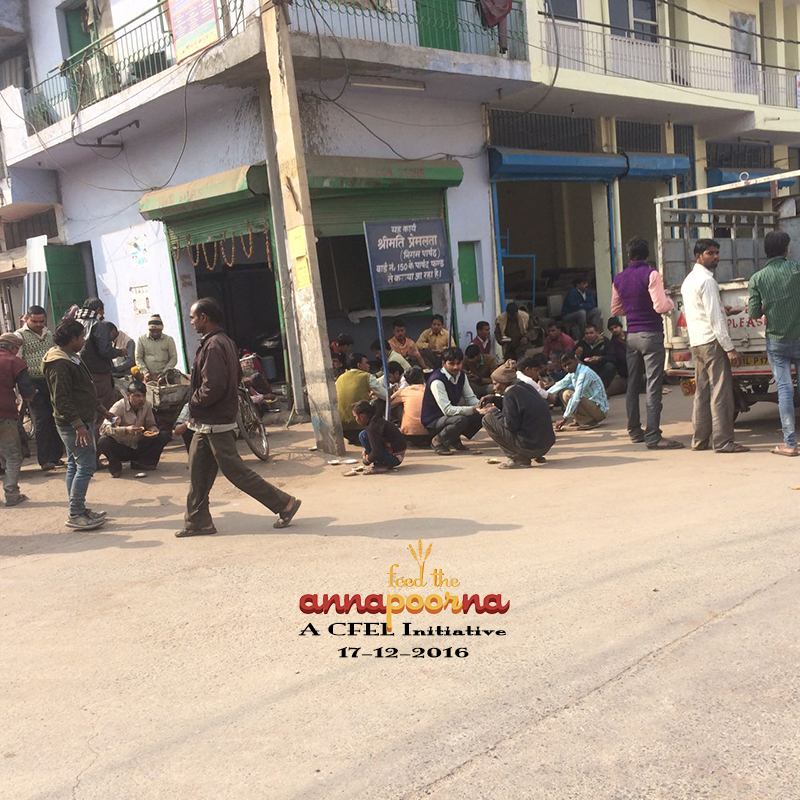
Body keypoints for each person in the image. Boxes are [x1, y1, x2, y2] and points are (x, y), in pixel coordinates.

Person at [178, 298, 301, 537]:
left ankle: (284, 503)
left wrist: (193, 403)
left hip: (215, 421)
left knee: (236, 472)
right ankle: (198, 521)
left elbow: (213, 386)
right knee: (198, 472)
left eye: (193, 317)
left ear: (204, 318)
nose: (191, 322)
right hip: (207, 422)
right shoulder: (222, 342)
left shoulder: (214, 346)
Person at [612, 237, 683, 450]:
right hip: (651, 334)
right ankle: (653, 436)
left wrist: (632, 310)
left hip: (631, 336)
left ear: (629, 256)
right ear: (647, 255)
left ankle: (634, 431)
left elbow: (616, 309)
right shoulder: (651, 274)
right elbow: (660, 306)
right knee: (653, 386)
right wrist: (671, 303)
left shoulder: (619, 278)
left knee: (632, 384)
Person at [43, 320, 112, 531]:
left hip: (80, 421)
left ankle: (78, 508)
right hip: (73, 425)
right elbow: (61, 399)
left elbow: (84, 390)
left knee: (74, 465)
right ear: (72, 338)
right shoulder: (59, 364)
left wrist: (102, 411)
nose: (83, 341)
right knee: (87, 466)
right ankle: (76, 513)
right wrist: (78, 425)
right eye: (81, 337)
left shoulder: (71, 357)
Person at [681, 239, 747, 454]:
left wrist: (723, 309)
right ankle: (723, 442)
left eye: (717, 253)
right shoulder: (707, 281)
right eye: (710, 253)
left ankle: (700, 440)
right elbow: (714, 320)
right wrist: (729, 348)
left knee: (702, 393)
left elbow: (702, 311)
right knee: (721, 393)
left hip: (697, 342)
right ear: (698, 256)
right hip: (712, 342)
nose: (716, 257)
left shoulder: (689, 280)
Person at [748, 230, 800, 456]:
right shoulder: (797, 269)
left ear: (766, 251)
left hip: (777, 341)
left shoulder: (757, 278)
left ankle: (790, 444)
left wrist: (766, 307)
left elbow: (754, 313)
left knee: (785, 391)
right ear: (786, 249)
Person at [480, 359, 555, 469]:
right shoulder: (527, 387)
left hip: (530, 447)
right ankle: (537, 456)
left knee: (487, 419)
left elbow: (511, 424)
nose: (494, 388)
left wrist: (494, 411)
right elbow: (519, 407)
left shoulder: (510, 394)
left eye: (495, 384)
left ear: (504, 383)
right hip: (545, 446)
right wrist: (495, 399)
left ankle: (518, 459)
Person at [16, 305, 64, 471]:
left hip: (51, 382)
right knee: (41, 420)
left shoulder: (48, 333)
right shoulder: (20, 336)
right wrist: (24, 389)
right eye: (35, 321)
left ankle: (57, 456)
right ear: (27, 319)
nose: (38, 324)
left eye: (41, 321)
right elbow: (17, 363)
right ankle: (45, 460)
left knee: (55, 418)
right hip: (33, 383)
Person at [97, 381, 172, 477]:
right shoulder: (119, 407)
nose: (141, 399)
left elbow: (151, 424)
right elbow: (103, 429)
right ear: (128, 395)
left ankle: (143, 462)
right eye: (137, 396)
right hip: (121, 446)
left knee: (164, 435)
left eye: (143, 396)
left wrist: (153, 431)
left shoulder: (147, 406)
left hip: (138, 444)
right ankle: (115, 465)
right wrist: (125, 430)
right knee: (103, 441)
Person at [77, 298, 126, 442]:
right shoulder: (99, 325)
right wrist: (120, 352)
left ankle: (91, 446)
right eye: (102, 311)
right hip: (99, 374)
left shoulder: (76, 323)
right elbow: (105, 350)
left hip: (81, 373)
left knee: (89, 411)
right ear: (99, 310)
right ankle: (102, 444)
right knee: (102, 412)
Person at [421, 347, 482, 455]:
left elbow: (470, 398)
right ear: (444, 363)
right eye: (451, 363)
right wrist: (473, 409)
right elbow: (447, 410)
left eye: (458, 363)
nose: (455, 367)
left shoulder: (461, 375)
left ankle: (453, 438)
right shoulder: (437, 381)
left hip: (449, 417)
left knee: (482, 414)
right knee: (460, 420)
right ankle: (437, 440)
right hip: (434, 420)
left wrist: (481, 406)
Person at [0, 333, 36, 506]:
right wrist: (32, 395)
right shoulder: (15, 362)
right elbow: (27, 391)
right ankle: (12, 494)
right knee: (13, 455)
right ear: (13, 347)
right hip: (5, 413)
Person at [335, 352, 388, 445]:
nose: (368, 365)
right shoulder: (367, 376)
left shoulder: (340, 378)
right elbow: (385, 396)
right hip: (359, 426)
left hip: (342, 427)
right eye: (366, 363)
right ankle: (376, 432)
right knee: (379, 402)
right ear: (359, 365)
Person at [548, 353, 609, 431]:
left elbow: (576, 397)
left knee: (568, 394)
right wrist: (545, 395)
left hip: (599, 410)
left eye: (569, 363)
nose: (567, 367)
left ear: (575, 360)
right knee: (562, 392)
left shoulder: (584, 373)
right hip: (591, 406)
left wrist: (565, 418)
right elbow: (560, 384)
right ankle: (579, 419)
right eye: (565, 366)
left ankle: (589, 422)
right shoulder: (573, 373)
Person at [352, 400, 407, 474]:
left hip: (395, 457)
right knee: (364, 434)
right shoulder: (376, 420)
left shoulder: (373, 427)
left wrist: (367, 460)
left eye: (355, 416)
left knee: (363, 436)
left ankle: (381, 465)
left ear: (361, 416)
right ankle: (382, 463)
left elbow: (376, 452)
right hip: (395, 454)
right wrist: (367, 452)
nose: (355, 419)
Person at [390, 367, 430, 446]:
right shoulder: (429, 390)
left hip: (408, 435)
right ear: (422, 378)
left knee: (399, 404)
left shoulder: (404, 391)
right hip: (429, 433)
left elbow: (389, 404)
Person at [135, 314, 177, 381]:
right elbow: (138, 358)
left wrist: (164, 372)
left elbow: (173, 358)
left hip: (166, 376)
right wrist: (145, 372)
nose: (155, 333)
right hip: (149, 377)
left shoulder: (169, 340)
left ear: (162, 329)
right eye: (152, 331)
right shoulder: (141, 340)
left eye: (158, 331)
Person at [573, 323, 617, 388]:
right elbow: (572, 358)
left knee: (610, 366)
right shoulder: (581, 343)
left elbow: (613, 357)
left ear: (597, 333)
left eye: (591, 333)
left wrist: (600, 358)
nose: (589, 335)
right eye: (586, 333)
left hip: (601, 368)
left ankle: (601, 388)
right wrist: (577, 356)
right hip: (587, 369)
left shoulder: (605, 341)